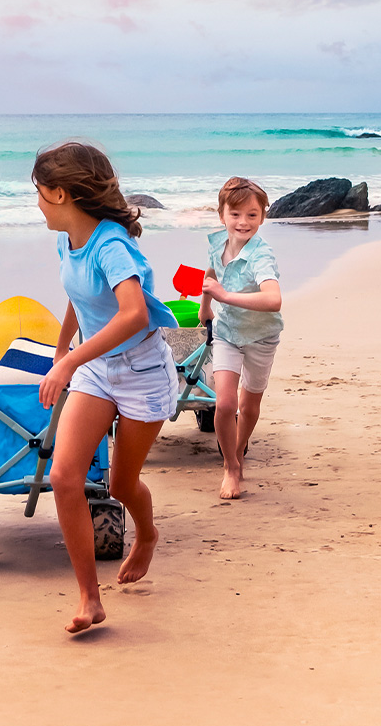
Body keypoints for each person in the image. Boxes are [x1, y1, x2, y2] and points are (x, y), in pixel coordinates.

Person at [32, 142, 181, 633]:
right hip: (97, 367)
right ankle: (89, 598)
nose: (36, 203)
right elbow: (78, 294)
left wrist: (70, 360)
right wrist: (61, 349)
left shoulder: (112, 245)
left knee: (120, 483)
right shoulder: (66, 241)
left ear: (60, 194)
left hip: (141, 372)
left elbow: (134, 312)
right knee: (64, 477)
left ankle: (148, 534)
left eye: (38, 193)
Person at [198, 176, 283, 500]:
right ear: (222, 215)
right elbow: (211, 275)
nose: (243, 222)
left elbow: (273, 299)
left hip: (262, 336)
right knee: (224, 403)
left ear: (262, 216)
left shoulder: (262, 256)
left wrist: (225, 296)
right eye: (235, 214)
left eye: (252, 214)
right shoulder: (217, 242)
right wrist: (206, 307)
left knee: (248, 406)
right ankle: (231, 466)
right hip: (227, 333)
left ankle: (239, 453)